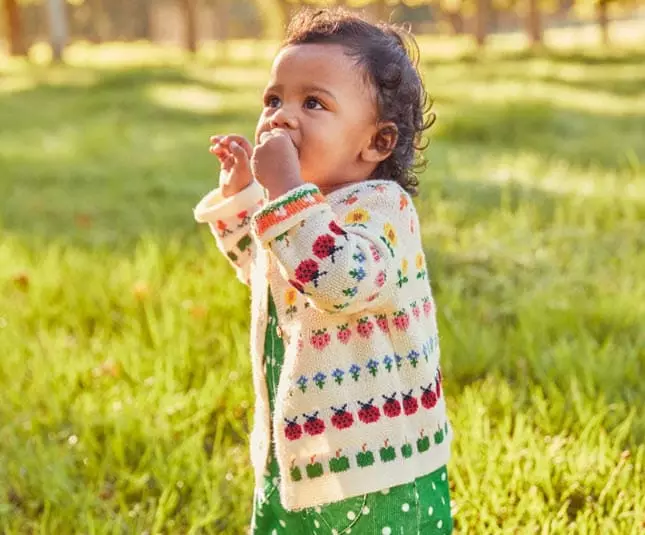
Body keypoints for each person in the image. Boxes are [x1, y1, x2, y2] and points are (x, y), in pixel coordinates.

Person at [194, 7, 452, 534]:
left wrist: (286, 194)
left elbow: (338, 282)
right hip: (300, 442)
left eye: (313, 102)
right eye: (273, 99)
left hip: (375, 459)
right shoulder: (300, 212)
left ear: (377, 142)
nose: (281, 117)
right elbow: (265, 266)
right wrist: (242, 195)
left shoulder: (384, 210)